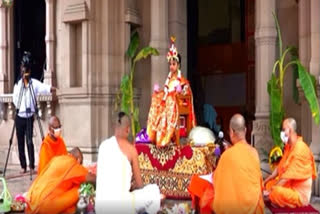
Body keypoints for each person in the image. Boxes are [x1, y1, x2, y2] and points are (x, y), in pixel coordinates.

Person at [188, 114, 264, 214]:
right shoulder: (254, 152)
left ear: (231, 132)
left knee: (198, 184)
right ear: (245, 130)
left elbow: (216, 180)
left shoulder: (228, 155)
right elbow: (259, 183)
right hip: (253, 208)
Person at [95, 112, 162, 214]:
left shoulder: (103, 146)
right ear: (127, 129)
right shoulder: (131, 149)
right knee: (154, 192)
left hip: (101, 207)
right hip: (121, 207)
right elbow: (140, 185)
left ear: (114, 127)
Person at [147, 37, 196, 147]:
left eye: (173, 64)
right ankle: (153, 135)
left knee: (169, 101)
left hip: (176, 105)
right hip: (168, 104)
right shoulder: (169, 80)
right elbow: (165, 93)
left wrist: (179, 92)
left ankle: (166, 137)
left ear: (178, 65)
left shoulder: (183, 81)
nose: (171, 66)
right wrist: (158, 93)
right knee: (156, 99)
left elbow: (186, 94)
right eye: (170, 64)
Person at [13, 51, 56, 174]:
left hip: (29, 116)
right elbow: (16, 99)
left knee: (29, 141)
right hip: (20, 117)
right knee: (20, 142)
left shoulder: (34, 83)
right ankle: (23, 166)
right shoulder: (18, 85)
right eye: (23, 69)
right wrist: (20, 107)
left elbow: (44, 87)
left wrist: (53, 89)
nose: (24, 72)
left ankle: (32, 165)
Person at [264, 118, 317, 208]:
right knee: (270, 184)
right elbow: (279, 168)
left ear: (290, 130)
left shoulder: (300, 149)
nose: (282, 133)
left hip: (299, 194)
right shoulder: (289, 147)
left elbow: (286, 178)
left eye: (284, 130)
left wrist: (269, 191)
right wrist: (266, 181)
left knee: (275, 192)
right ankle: (273, 198)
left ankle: (273, 198)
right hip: (289, 187)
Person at [25, 147, 96, 214]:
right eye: (81, 164)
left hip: (31, 201)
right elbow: (92, 179)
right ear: (78, 159)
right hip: (45, 205)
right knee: (83, 186)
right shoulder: (73, 164)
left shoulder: (56, 159)